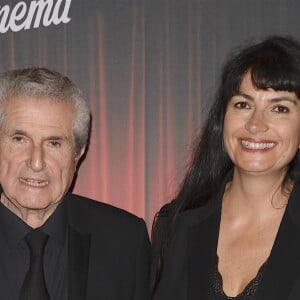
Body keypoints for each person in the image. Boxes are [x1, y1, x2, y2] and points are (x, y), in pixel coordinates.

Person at [151, 36, 300, 300]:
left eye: (279, 108)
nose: (255, 124)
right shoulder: (174, 225)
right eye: (243, 104)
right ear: (223, 119)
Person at [0, 67, 150, 300]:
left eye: (54, 143)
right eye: (19, 139)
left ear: (78, 153)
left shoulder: (125, 242)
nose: (36, 162)